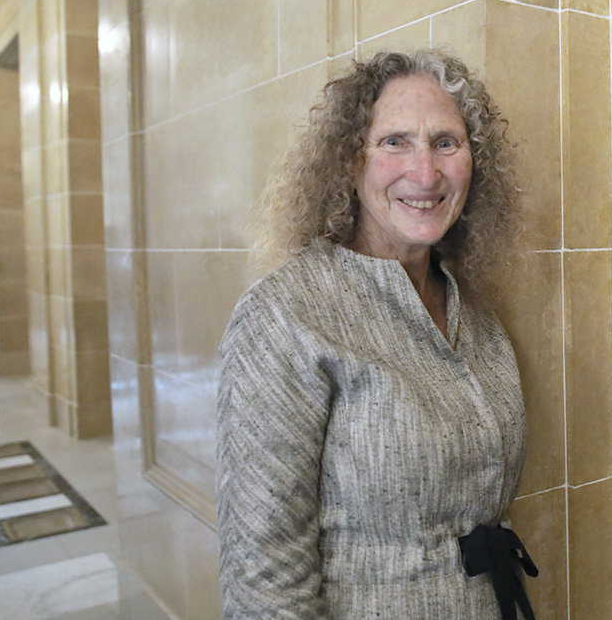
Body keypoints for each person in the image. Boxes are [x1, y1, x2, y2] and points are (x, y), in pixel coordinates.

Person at [216, 49, 536, 620]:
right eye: (394, 142)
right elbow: (264, 577)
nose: (426, 172)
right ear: (348, 162)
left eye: (446, 142)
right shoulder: (287, 313)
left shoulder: (476, 314)